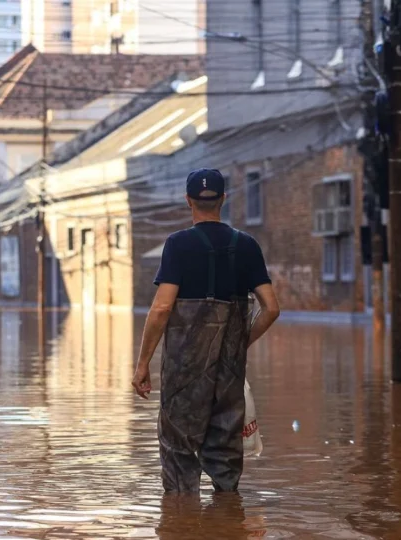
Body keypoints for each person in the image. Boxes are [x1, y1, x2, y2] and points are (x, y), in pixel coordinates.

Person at [131, 168, 280, 493]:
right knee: (226, 462)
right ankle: (226, 521)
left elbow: (161, 308)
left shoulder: (177, 245)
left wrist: (143, 363)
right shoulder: (247, 245)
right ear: (223, 200)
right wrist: (241, 342)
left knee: (179, 462)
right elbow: (271, 308)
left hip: (184, 375)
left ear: (189, 201)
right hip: (229, 374)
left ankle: (182, 525)